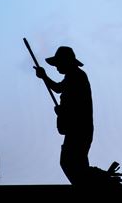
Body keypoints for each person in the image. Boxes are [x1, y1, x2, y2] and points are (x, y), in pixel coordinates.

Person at [34, 46, 93, 185]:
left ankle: (91, 184)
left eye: (58, 64)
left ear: (66, 62)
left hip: (79, 130)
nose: (56, 67)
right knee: (74, 163)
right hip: (78, 130)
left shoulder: (77, 76)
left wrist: (44, 77)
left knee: (69, 162)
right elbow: (60, 90)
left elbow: (75, 104)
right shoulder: (73, 76)